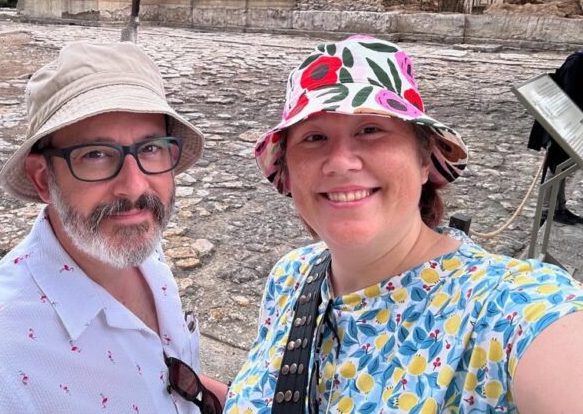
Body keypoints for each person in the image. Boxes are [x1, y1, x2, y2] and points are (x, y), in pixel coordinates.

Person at [225, 35, 583, 413]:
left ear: (424, 159)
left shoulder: (509, 308)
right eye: (314, 137)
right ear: (290, 172)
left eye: (371, 130)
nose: (341, 162)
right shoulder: (290, 277)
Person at [0, 42, 227, 413]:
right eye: (95, 155)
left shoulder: (134, 245)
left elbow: (156, 378)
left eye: (151, 149)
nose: (136, 187)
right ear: (44, 179)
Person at [528, 47, 583, 225]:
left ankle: (559, 207)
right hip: (564, 121)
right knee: (555, 166)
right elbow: (572, 95)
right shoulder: (578, 63)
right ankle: (547, 210)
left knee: (562, 167)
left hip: (570, 121)